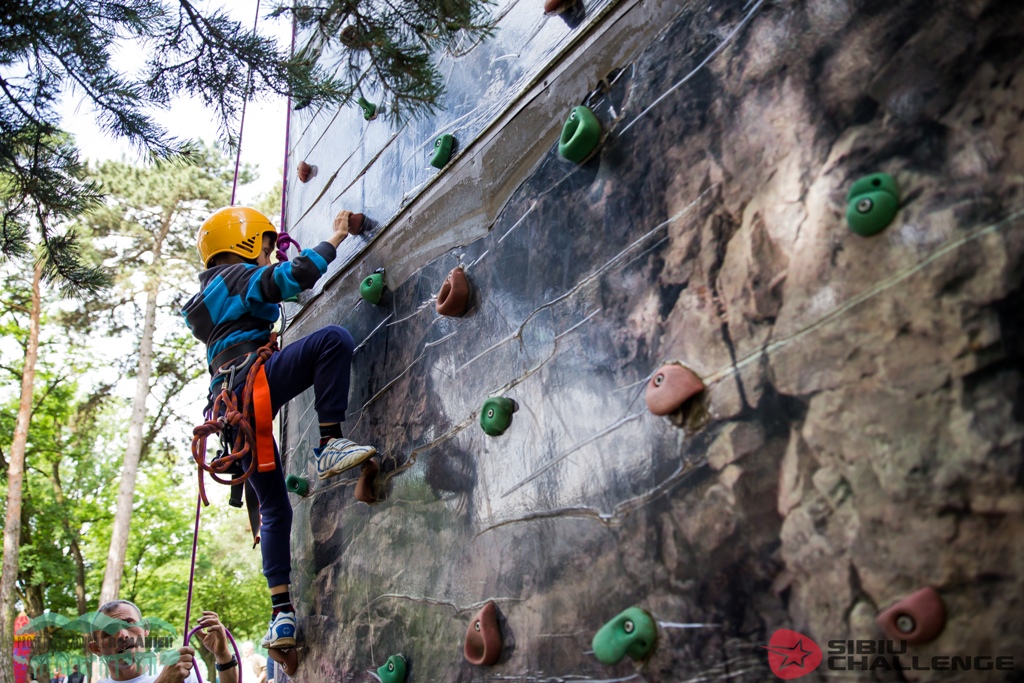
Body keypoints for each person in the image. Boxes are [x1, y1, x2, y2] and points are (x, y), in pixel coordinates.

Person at [182, 207, 377, 649]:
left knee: (274, 509)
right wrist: (337, 236)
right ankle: (329, 442)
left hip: (231, 414)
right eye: (266, 248)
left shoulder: (208, 297)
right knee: (333, 341)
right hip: (253, 382)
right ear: (246, 243)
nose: (269, 257)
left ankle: (281, 616)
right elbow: (294, 277)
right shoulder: (234, 279)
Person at [88, 599, 237, 683]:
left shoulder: (180, 674)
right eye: (108, 632)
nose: (122, 634)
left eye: (129, 623)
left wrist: (223, 656)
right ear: (96, 649)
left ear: (145, 629)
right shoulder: (171, 677)